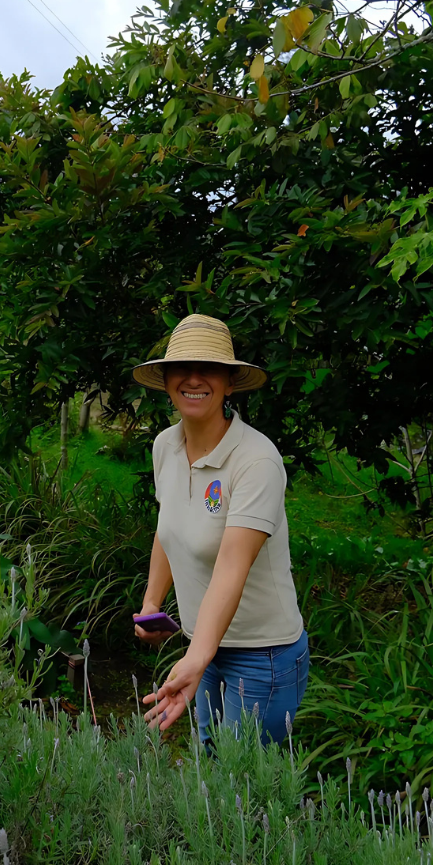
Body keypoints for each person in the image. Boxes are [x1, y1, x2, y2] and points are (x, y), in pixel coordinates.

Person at [132, 314, 307, 748]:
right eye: (183, 369)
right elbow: (166, 526)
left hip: (262, 652)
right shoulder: (165, 447)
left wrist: (196, 657)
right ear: (167, 380)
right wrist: (152, 603)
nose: (194, 379)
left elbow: (232, 565)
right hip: (204, 644)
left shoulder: (256, 462)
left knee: (247, 784)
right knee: (210, 764)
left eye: (209, 369)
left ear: (230, 383)